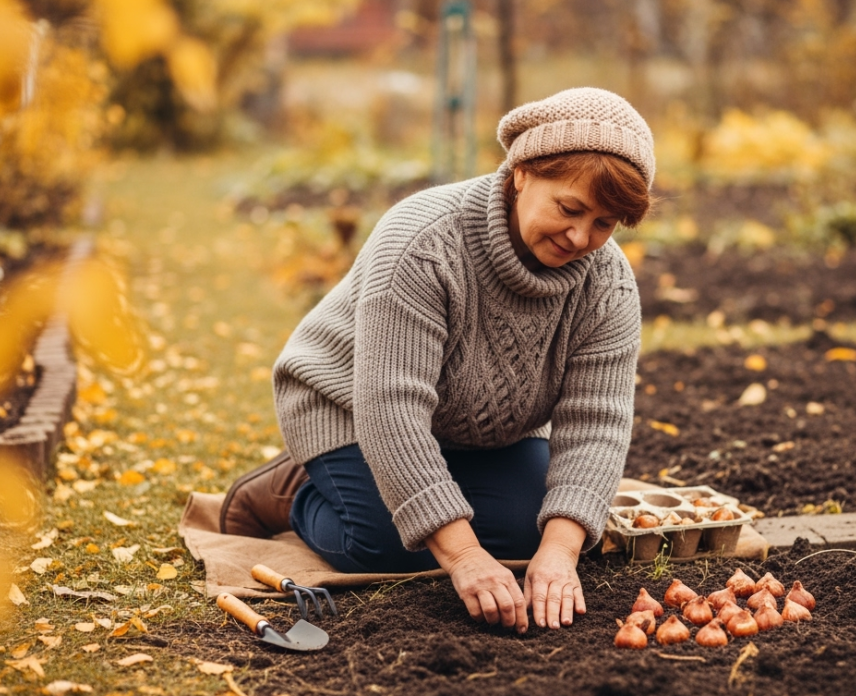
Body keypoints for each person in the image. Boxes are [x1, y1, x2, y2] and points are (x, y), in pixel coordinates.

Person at [221, 87, 653, 635]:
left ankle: (431, 496)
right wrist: (464, 556)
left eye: (604, 224)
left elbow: (598, 423)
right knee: (384, 546)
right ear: (521, 172)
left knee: (536, 537)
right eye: (569, 209)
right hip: (350, 409)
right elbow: (392, 409)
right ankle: (292, 490)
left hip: (488, 430)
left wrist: (562, 552)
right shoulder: (424, 242)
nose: (580, 237)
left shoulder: (607, 284)